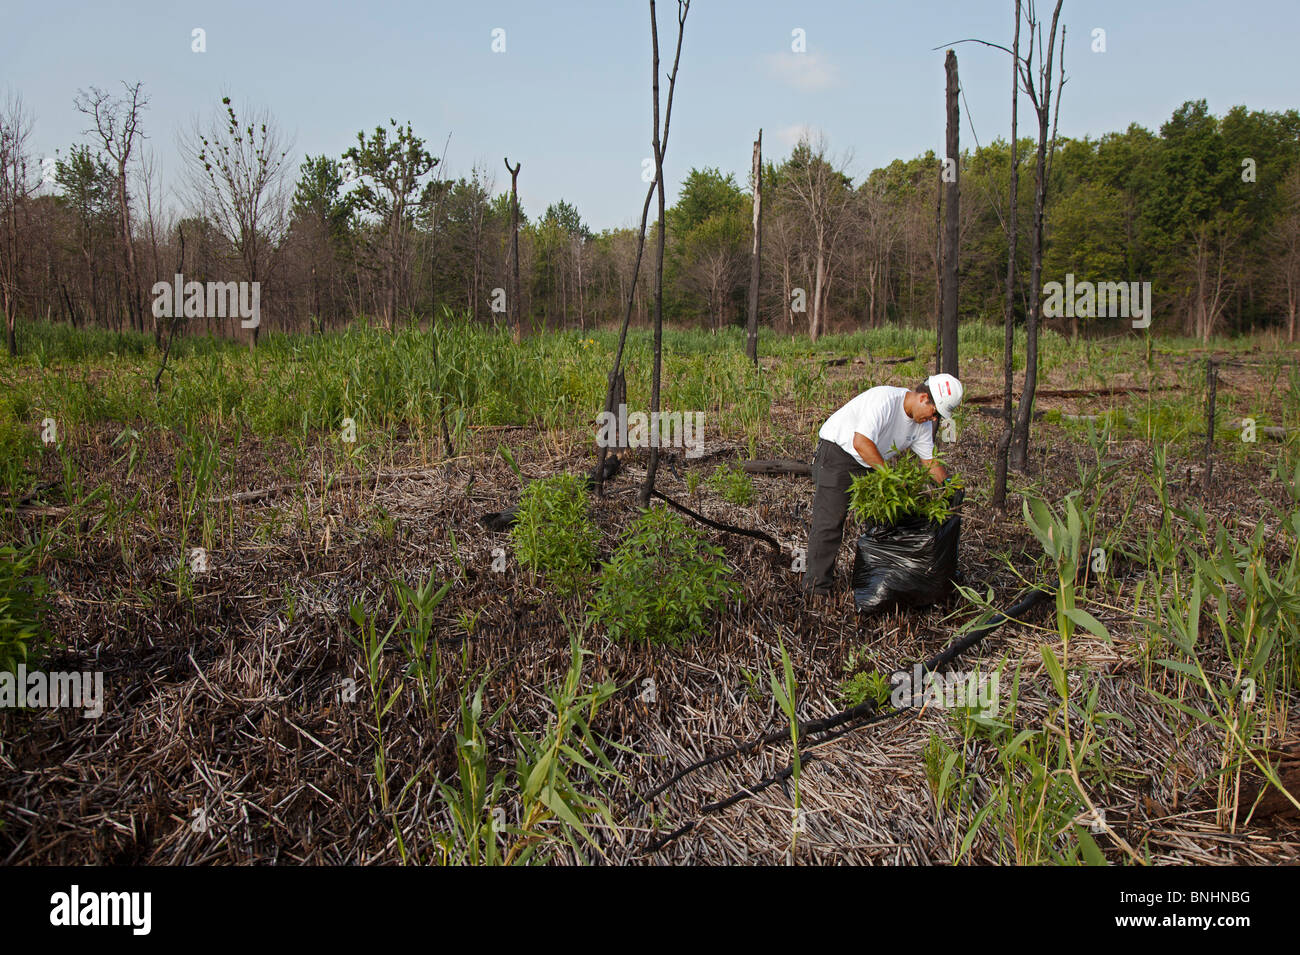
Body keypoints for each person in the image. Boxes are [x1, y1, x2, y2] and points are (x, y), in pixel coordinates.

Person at [803, 373, 963, 599]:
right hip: (838, 453)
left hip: (871, 460)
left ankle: (881, 580)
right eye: (935, 412)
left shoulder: (923, 425)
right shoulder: (885, 401)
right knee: (829, 523)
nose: (935, 419)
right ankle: (816, 590)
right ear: (923, 398)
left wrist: (950, 486)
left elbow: (930, 462)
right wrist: (891, 477)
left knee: (882, 521)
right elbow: (861, 442)